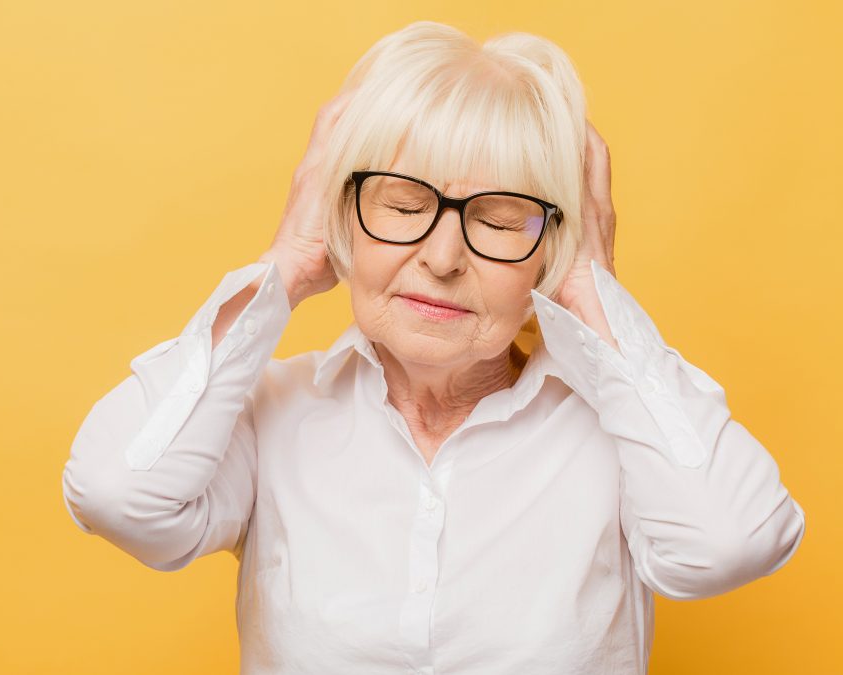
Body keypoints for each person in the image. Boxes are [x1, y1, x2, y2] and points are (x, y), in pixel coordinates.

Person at [61, 20, 806, 675]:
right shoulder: (270, 417)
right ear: (343, 212)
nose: (443, 256)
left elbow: (730, 542)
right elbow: (116, 493)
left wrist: (592, 285)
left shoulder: (617, 437)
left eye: (501, 218)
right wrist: (287, 261)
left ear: (551, 246)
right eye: (404, 204)